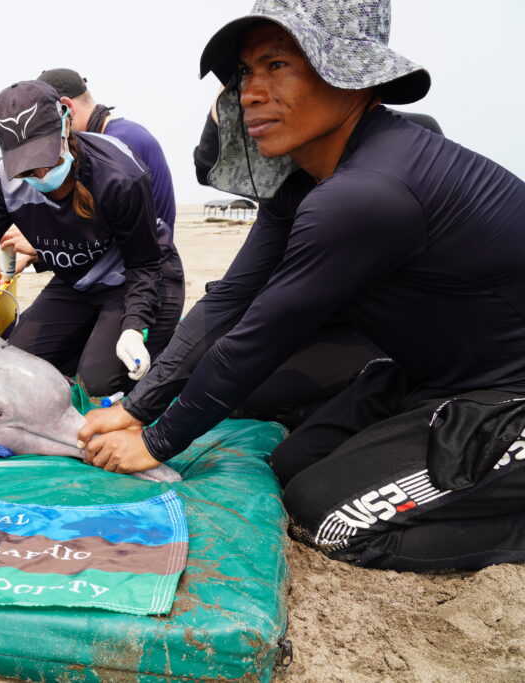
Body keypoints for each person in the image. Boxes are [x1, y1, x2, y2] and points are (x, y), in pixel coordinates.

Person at [79, 0, 525, 572]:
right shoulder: (307, 182)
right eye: (245, 72)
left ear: (354, 78)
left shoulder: (367, 192)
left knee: (331, 520)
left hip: (506, 394)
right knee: (291, 465)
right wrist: (139, 407)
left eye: (278, 65)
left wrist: (158, 442)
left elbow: (261, 334)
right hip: (432, 378)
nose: (250, 93)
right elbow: (231, 301)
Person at [0, 80, 184, 398]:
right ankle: (88, 349)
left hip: (140, 280)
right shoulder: (3, 182)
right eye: (26, 166)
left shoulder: (118, 175)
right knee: (13, 370)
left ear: (65, 122)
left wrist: (133, 327)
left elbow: (145, 263)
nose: (40, 174)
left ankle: (155, 355)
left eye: (45, 157)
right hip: (80, 282)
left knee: (98, 385)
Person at [38, 68, 177, 232]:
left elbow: (98, 228)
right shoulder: (120, 134)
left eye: (46, 121)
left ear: (66, 107)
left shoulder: (120, 142)